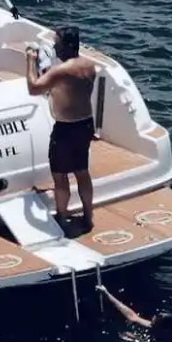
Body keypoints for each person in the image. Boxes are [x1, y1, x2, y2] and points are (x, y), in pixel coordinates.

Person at [26, 25, 99, 231]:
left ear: (67, 45)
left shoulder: (61, 71)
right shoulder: (89, 66)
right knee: (82, 171)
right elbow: (68, 88)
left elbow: (34, 88)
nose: (55, 48)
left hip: (66, 129)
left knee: (60, 175)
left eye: (57, 44)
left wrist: (30, 61)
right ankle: (88, 215)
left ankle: (62, 215)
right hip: (85, 124)